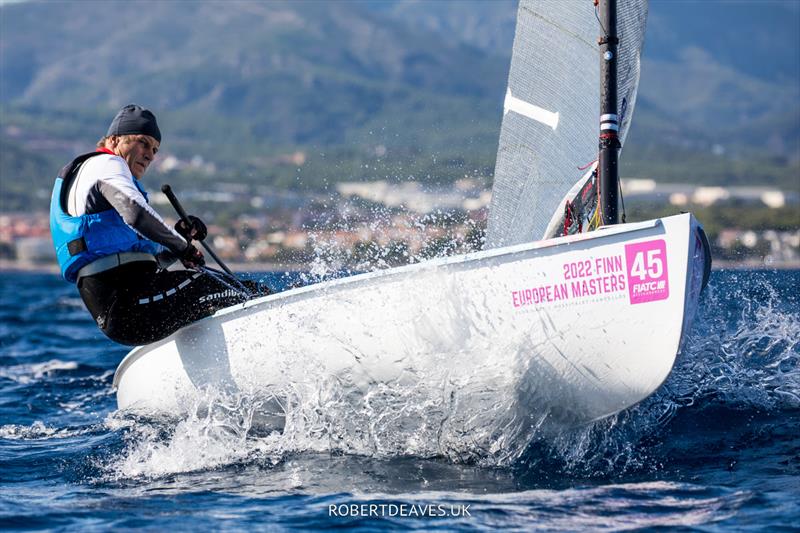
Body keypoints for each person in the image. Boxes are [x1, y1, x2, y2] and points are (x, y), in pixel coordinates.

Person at [50, 104, 257, 345]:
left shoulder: (98, 179)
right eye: (143, 143)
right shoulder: (106, 164)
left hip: (126, 307)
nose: (150, 155)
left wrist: (180, 238)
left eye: (155, 149)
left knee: (233, 288)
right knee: (223, 287)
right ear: (115, 140)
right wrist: (182, 247)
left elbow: (152, 256)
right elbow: (136, 214)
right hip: (128, 302)